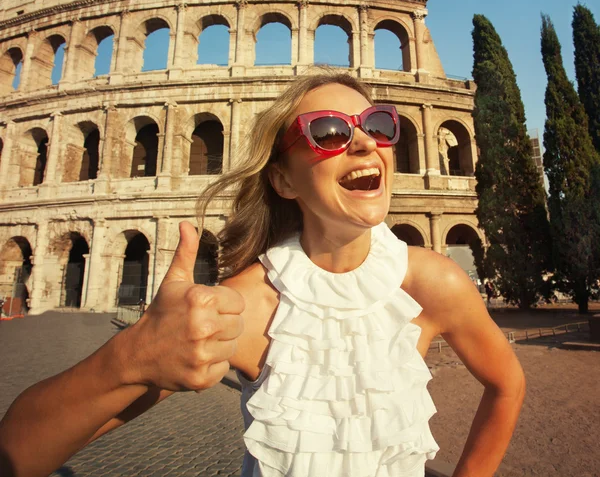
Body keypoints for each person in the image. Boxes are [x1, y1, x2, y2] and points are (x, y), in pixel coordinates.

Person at [0, 73, 525, 477]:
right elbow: (19, 451)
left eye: (378, 125)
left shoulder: (431, 283)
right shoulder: (246, 306)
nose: (365, 143)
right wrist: (127, 357)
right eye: (328, 133)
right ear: (283, 180)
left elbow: (507, 384)